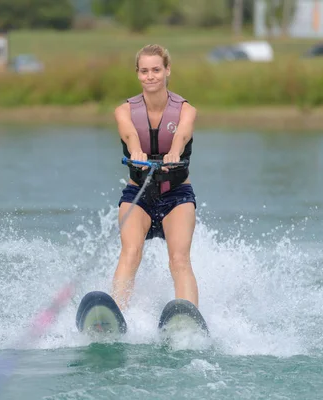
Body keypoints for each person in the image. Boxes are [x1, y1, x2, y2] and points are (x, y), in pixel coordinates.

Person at [112, 44, 199, 311]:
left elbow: (182, 135)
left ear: (167, 70)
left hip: (177, 196)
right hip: (138, 195)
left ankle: (188, 316)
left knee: (179, 259)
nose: (150, 76)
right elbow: (129, 135)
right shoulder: (123, 111)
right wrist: (136, 151)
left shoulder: (186, 110)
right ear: (137, 74)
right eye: (144, 71)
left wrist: (174, 152)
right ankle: (116, 315)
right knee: (130, 253)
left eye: (156, 70)